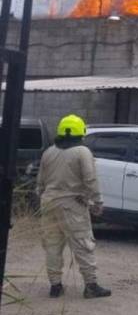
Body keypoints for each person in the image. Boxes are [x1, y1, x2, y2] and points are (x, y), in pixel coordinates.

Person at [36, 114, 111, 299]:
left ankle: (55, 286)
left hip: (48, 204)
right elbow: (90, 179)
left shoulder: (49, 152)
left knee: (52, 246)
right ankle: (91, 286)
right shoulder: (82, 152)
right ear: (80, 133)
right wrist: (97, 202)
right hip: (72, 206)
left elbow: (40, 183)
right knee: (83, 244)